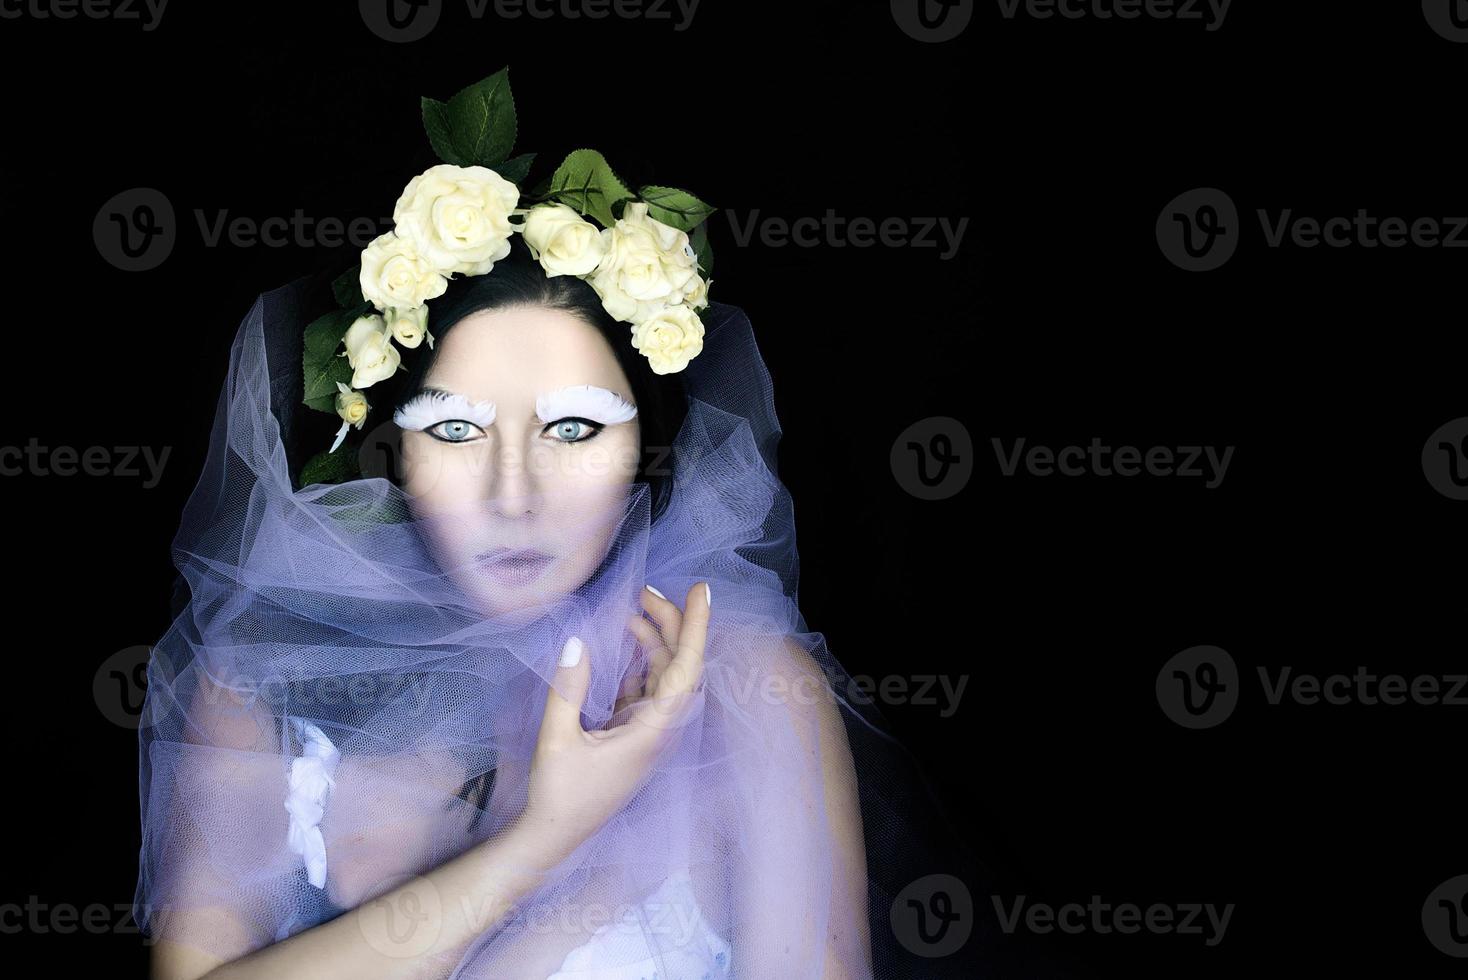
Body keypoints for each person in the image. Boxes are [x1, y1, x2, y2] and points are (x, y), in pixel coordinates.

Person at [134, 68, 984, 979]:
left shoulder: (745, 689)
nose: (516, 494)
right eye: (456, 429)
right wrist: (546, 836)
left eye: (573, 427)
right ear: (386, 448)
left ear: (646, 448)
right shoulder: (260, 684)